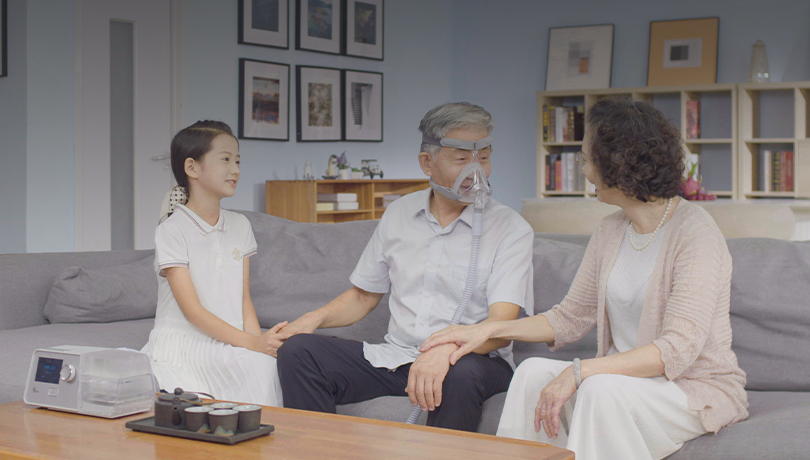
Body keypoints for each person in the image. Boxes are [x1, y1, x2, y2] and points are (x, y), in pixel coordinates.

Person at [419, 98, 749, 459]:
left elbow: (677, 349)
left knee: (597, 388)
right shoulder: (611, 229)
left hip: (689, 389)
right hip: (622, 383)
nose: (585, 170)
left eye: (587, 159)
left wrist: (580, 372)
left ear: (618, 164)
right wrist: (486, 331)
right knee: (531, 373)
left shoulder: (696, 233)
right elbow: (569, 317)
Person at [274, 102, 535, 432]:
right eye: (461, 159)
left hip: (475, 360)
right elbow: (363, 296)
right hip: (398, 358)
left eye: (483, 157)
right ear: (427, 163)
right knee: (299, 351)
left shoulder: (510, 229)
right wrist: (313, 319)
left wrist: (447, 351)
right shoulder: (398, 214)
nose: (476, 172)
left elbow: (500, 324)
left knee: (461, 372)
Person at [141, 120, 285, 406]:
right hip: (184, 345)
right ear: (192, 168)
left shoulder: (240, 224)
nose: (236, 170)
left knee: (267, 368)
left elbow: (244, 299)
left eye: (238, 161)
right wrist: (252, 343)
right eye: (225, 160)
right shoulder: (172, 230)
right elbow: (193, 311)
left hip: (231, 341)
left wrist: (260, 344)